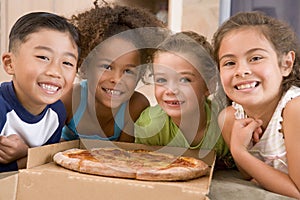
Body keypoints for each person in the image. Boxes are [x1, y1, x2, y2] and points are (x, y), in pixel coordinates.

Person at [213, 11, 300, 198]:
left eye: (255, 58)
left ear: (286, 64)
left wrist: (239, 151)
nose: (241, 71)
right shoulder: (229, 118)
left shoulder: (295, 109)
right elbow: (249, 175)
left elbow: (298, 191)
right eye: (229, 62)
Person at [61, 0, 167, 142]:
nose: (117, 79)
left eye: (128, 71)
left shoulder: (135, 107)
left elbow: (123, 158)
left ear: (140, 75)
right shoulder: (69, 99)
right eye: (107, 67)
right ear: (86, 65)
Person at [134, 31, 233, 169]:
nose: (171, 90)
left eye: (184, 80)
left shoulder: (225, 125)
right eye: (162, 80)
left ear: (209, 85)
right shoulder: (150, 126)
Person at [0, 11, 80, 172]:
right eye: (43, 57)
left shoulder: (57, 113)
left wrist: (25, 153)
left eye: (67, 62)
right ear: (10, 63)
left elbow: (44, 165)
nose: (55, 71)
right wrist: (25, 160)